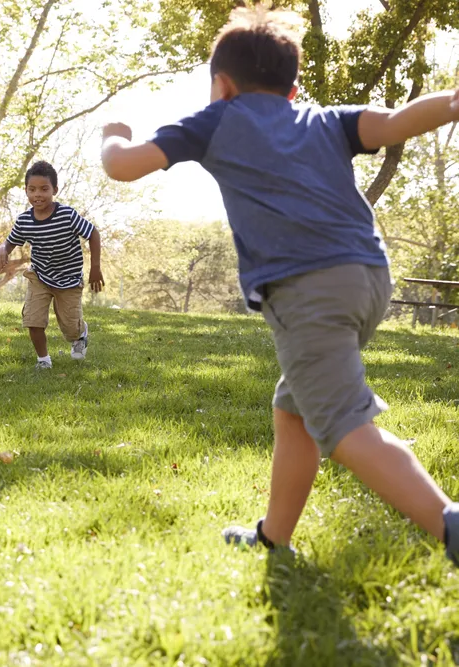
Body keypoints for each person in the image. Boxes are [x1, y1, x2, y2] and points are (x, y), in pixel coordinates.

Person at [100, 6, 459, 565]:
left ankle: (451, 526)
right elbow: (394, 121)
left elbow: (123, 167)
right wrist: (453, 101)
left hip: (308, 288)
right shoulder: (324, 120)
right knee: (293, 408)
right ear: (292, 85)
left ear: (222, 84)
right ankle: (276, 535)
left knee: (342, 427)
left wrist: (112, 137)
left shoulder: (216, 120)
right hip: (368, 277)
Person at [0, 160, 104, 369]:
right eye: (32, 189)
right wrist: (3, 249)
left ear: (55, 189)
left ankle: (80, 334)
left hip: (69, 279)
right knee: (33, 319)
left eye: (44, 189)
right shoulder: (25, 220)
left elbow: (93, 233)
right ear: (26, 190)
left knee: (70, 328)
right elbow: (11, 241)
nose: (38, 194)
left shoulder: (67, 215)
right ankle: (43, 361)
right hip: (40, 276)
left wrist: (96, 268)